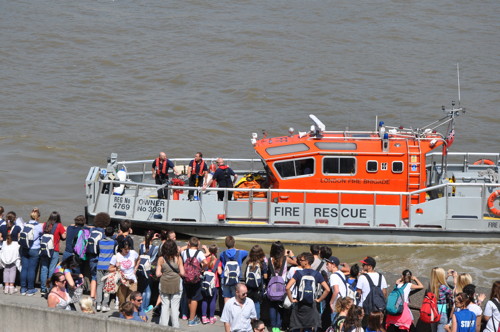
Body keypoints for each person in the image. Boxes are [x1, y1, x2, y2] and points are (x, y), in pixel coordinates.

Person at [286, 252, 331, 332]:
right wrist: (319, 300)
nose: (300, 261)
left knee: (296, 326)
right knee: (309, 327)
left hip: (299, 304)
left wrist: (291, 300)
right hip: (311, 304)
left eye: (301, 260)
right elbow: (327, 289)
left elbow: (287, 287)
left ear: (307, 261)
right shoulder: (317, 274)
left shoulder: (299, 273)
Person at [268, 241, 297, 332]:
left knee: (272, 307)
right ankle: (278, 326)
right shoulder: (285, 259)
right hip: (282, 286)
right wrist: (291, 254)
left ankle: (273, 327)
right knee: (280, 307)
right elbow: (296, 262)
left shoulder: (269, 259)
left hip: (272, 286)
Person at [156, 238, 184, 328]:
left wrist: (163, 273)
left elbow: (157, 274)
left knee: (165, 306)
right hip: (176, 283)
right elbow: (183, 273)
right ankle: (176, 327)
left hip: (164, 284)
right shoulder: (178, 258)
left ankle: (163, 326)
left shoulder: (161, 259)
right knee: (175, 307)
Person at [180, 236, 207, 326]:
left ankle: (192, 316)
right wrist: (201, 269)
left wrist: (187, 245)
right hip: (196, 279)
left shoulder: (184, 252)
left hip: (186, 278)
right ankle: (191, 319)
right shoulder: (199, 253)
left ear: (189, 244)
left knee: (189, 297)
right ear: (198, 244)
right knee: (195, 298)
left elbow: (179, 250)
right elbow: (206, 263)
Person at [39, 211, 66, 298]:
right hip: (54, 250)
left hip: (44, 249)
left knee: (44, 268)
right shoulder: (59, 225)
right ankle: (50, 287)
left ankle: (43, 289)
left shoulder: (45, 224)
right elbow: (64, 237)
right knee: (52, 269)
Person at [87, 212, 110, 304]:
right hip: (100, 258)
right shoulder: (104, 233)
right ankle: (98, 299)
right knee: (101, 279)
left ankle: (92, 296)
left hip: (91, 257)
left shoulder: (92, 231)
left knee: (93, 277)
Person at [20, 207, 44, 296]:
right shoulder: (39, 226)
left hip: (24, 248)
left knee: (24, 268)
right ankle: (30, 289)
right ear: (38, 217)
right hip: (34, 249)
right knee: (31, 269)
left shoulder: (25, 224)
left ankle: (23, 289)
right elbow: (42, 235)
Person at [109, 239, 139, 306]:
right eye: (125, 249)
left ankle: (129, 315)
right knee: (122, 301)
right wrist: (117, 267)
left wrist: (135, 268)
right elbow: (110, 269)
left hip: (132, 280)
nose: (127, 251)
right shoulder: (116, 257)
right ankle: (122, 314)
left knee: (131, 301)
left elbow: (139, 259)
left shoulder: (133, 253)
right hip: (122, 281)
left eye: (128, 249)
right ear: (121, 248)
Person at [356, 256, 388, 321]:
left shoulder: (362, 277)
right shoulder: (381, 276)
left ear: (369, 266)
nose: (362, 266)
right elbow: (384, 293)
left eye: (364, 264)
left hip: (365, 309)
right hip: (378, 308)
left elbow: (358, 293)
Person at [220, 235, 249, 302]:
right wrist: (237, 249)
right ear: (234, 243)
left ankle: (227, 311)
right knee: (235, 296)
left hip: (225, 277)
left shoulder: (222, 254)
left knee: (226, 296)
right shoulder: (240, 253)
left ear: (225, 244)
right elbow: (246, 252)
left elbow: (221, 261)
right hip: (236, 278)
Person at [96, 226, 117, 312]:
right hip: (109, 266)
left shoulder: (99, 241)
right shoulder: (114, 242)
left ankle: (98, 304)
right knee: (107, 286)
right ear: (113, 234)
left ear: (104, 233)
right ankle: (105, 304)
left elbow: (98, 251)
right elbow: (115, 253)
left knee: (100, 285)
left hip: (100, 264)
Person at [138, 229, 159, 312]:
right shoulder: (155, 248)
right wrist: (152, 238)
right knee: (148, 289)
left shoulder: (141, 246)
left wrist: (149, 237)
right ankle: (146, 307)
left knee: (143, 289)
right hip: (148, 269)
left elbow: (144, 243)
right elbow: (153, 259)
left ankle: (141, 306)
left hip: (141, 269)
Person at [244, 244, 268, 319]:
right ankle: (256, 320)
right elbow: (265, 276)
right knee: (257, 304)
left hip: (249, 287)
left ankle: (248, 319)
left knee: (248, 303)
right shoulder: (262, 263)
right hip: (258, 288)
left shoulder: (248, 262)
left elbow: (245, 275)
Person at [0, 212, 21, 294]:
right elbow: (19, 238)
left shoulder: (2, 227)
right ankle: (12, 287)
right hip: (14, 248)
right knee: (12, 268)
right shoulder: (18, 228)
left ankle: (6, 286)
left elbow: (0, 238)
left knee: (6, 268)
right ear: (14, 219)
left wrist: (5, 238)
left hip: (5, 247)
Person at [201, 244, 223, 324]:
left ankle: (203, 317)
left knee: (205, 300)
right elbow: (220, 272)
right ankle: (211, 318)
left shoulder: (206, 259)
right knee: (213, 300)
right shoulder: (218, 261)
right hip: (214, 284)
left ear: (209, 251)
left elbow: (202, 269)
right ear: (217, 251)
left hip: (206, 283)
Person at [430, 267, 454, 332]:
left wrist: (447, 276)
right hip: (441, 312)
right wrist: (455, 278)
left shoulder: (431, 286)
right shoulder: (443, 287)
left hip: (432, 311)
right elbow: (454, 293)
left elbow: (439, 281)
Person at [327, 256, 347, 321]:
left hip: (337, 303)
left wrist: (331, 303)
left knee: (335, 323)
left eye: (328, 264)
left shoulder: (333, 276)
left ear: (333, 265)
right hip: (344, 301)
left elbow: (336, 291)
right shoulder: (341, 273)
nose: (326, 266)